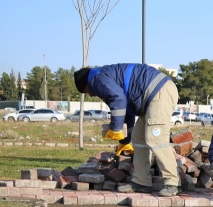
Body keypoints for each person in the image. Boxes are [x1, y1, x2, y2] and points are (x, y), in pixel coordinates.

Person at [74, 64, 180, 197]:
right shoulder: (104, 77)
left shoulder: (96, 79)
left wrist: (116, 128)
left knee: (155, 138)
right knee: (138, 138)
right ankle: (142, 182)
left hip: (159, 91)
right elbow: (126, 110)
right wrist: (124, 141)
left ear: (86, 84)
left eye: (86, 91)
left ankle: (173, 182)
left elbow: (118, 100)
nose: (90, 94)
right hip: (151, 97)